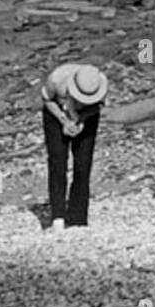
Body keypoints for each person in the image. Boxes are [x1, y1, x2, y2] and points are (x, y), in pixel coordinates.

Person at [40, 63, 108, 231]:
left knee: (83, 164)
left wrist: (81, 119)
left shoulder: (100, 82)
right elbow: (47, 100)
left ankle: (78, 217)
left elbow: (98, 106)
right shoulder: (56, 79)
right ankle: (58, 215)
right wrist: (64, 120)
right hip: (55, 114)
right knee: (58, 162)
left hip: (88, 116)